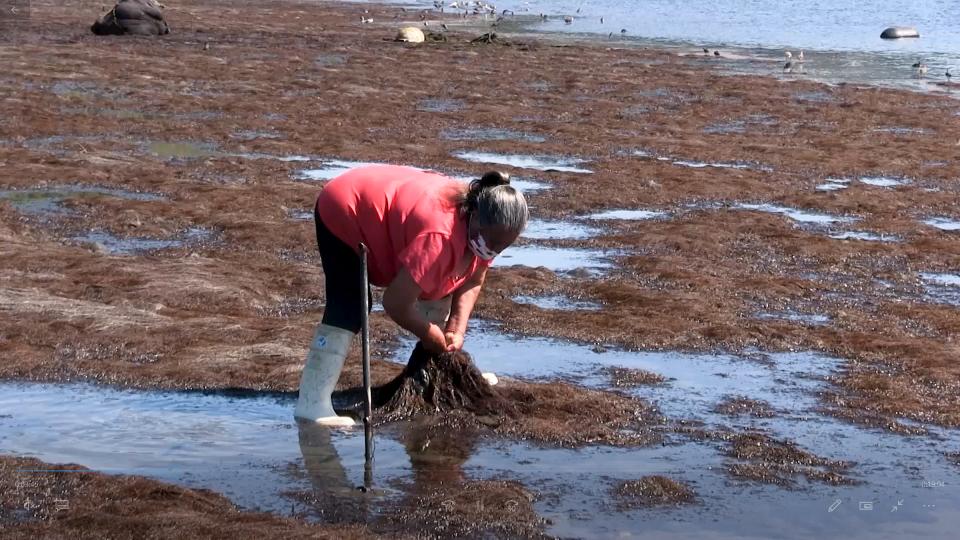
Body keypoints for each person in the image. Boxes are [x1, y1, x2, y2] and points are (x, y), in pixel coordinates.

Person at [295, 164, 529, 425]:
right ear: (474, 216)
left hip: (394, 205)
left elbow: (473, 278)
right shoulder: (440, 236)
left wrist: (456, 330)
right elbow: (396, 302)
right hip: (346, 206)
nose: (493, 251)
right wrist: (430, 334)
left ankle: (430, 375)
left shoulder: (488, 224)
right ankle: (312, 402)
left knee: (440, 282)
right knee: (351, 304)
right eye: (491, 242)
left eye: (502, 247)